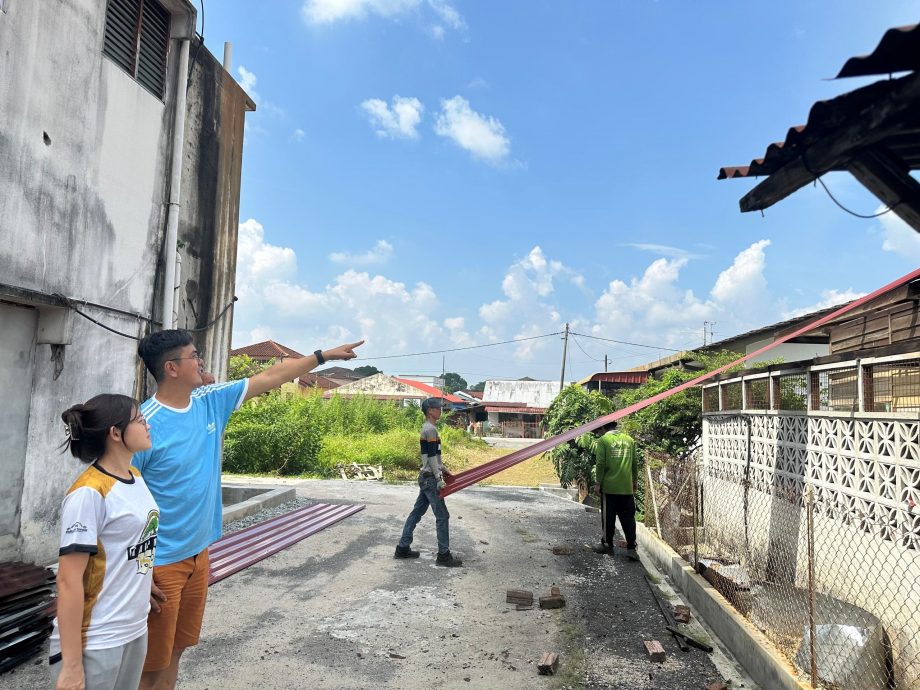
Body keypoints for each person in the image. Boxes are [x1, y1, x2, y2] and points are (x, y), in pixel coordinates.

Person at [133, 329, 363, 690]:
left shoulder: (209, 401)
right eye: (194, 356)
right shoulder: (144, 426)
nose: (201, 362)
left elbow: (271, 376)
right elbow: (121, 503)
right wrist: (136, 571)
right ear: (171, 368)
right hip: (160, 564)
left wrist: (323, 356)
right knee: (149, 665)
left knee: (176, 651)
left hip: (198, 555)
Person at [50, 394, 159, 690]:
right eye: (139, 420)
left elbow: (132, 540)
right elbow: (68, 581)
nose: (147, 425)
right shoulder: (88, 493)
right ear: (115, 433)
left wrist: (142, 579)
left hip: (134, 629)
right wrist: (72, 666)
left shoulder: (135, 476)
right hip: (97, 639)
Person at [394, 397, 463, 567]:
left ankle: (402, 548)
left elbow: (433, 456)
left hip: (426, 477)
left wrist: (443, 468)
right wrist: (439, 478)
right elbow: (431, 457)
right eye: (438, 407)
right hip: (430, 479)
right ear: (430, 410)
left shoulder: (428, 428)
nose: (440, 410)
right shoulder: (430, 430)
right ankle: (443, 555)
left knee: (416, 513)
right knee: (442, 515)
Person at [593, 421, 640, 561]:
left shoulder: (603, 440)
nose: (598, 433)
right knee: (629, 519)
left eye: (598, 430)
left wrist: (598, 483)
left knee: (608, 518)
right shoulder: (629, 440)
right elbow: (634, 463)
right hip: (626, 488)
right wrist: (635, 481)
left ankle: (607, 545)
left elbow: (600, 463)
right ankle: (631, 548)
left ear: (603, 427)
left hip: (609, 487)